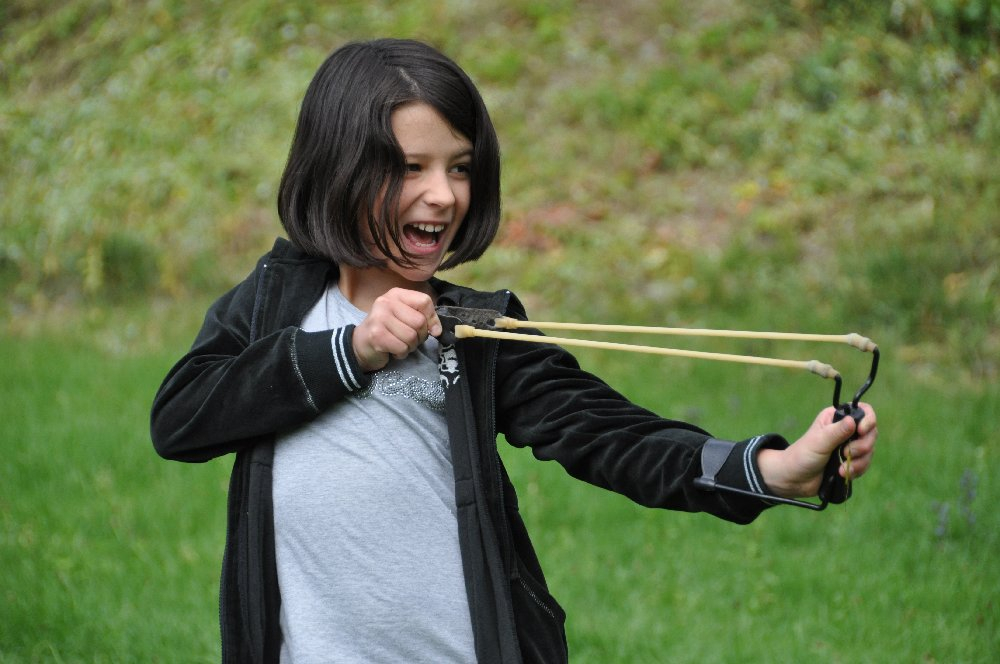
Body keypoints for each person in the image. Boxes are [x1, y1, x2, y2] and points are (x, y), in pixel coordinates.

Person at [150, 38, 878, 664]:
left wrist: (771, 471)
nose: (443, 195)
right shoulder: (274, 303)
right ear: (336, 169)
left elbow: (609, 436)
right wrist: (351, 349)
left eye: (460, 167)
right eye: (411, 167)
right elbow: (181, 418)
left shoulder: (477, 331)